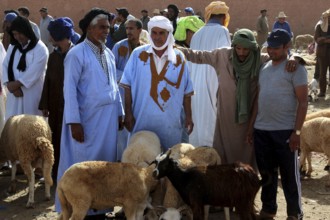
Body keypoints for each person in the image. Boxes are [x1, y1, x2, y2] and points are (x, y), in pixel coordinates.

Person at [55, 8, 123, 219]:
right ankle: (81, 209)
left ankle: (101, 207)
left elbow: (114, 86)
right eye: (102, 27)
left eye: (108, 28)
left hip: (108, 121)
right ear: (89, 29)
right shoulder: (76, 54)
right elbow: (69, 90)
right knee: (85, 167)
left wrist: (120, 111)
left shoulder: (109, 53)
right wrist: (74, 122)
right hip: (86, 121)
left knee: (103, 167)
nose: (106, 32)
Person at [249, 29, 307, 220]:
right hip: (262, 130)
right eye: (270, 47)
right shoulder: (264, 68)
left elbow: (303, 102)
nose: (271, 51)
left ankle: (294, 213)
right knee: (266, 175)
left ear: (286, 47)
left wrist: (297, 132)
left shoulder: (295, 69)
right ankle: (269, 210)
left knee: (289, 175)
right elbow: (258, 99)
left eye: (276, 48)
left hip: (285, 131)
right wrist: (251, 127)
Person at [120, 16, 194, 150]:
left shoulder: (178, 57)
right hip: (142, 118)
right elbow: (127, 86)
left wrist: (189, 116)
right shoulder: (138, 54)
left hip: (170, 120)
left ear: (168, 34)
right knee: (142, 157)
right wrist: (128, 113)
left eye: (162, 33)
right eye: (154, 32)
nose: (157, 37)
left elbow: (187, 91)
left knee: (169, 161)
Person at [187, 1, 231, 147]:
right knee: (212, 118)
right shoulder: (222, 31)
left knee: (198, 117)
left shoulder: (196, 34)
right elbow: (224, 58)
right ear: (224, 17)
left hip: (194, 82)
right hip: (214, 80)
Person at [38, 17, 75, 181]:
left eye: (52, 35)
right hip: (54, 104)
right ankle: (56, 172)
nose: (50, 38)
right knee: (56, 139)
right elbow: (48, 81)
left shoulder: (76, 55)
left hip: (71, 107)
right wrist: (45, 103)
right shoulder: (54, 56)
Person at [2, 16, 48, 120]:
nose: (17, 37)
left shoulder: (40, 48)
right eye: (14, 34)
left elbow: (35, 71)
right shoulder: (12, 47)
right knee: (13, 125)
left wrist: (16, 85)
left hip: (31, 94)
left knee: (31, 126)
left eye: (20, 33)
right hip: (14, 95)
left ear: (26, 31)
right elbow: (5, 65)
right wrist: (10, 86)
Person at [112, 18, 144, 160]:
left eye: (132, 29)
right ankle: (121, 158)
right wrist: (127, 77)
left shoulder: (145, 49)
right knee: (122, 128)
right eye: (127, 29)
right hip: (122, 92)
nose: (129, 31)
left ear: (139, 31)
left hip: (139, 93)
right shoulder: (119, 47)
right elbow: (111, 69)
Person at [314, 8, 330, 97]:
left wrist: (324, 39)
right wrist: (325, 40)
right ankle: (322, 92)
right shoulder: (319, 27)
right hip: (322, 54)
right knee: (322, 74)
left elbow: (321, 39)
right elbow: (317, 39)